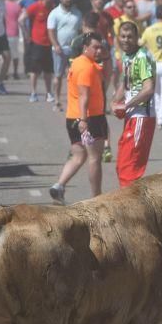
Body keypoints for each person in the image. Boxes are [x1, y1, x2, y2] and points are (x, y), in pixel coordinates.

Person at [49, 33, 109, 204]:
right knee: (94, 157)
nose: (98, 51)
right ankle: (97, 197)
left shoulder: (78, 63)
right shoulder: (86, 68)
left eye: (100, 47)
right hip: (89, 118)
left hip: (72, 117)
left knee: (78, 155)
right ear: (85, 48)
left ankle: (59, 186)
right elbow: (84, 96)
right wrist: (84, 120)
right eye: (95, 47)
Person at [113, 22, 155, 187]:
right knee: (122, 165)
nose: (126, 40)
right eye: (123, 36)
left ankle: (132, 209)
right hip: (132, 116)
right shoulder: (127, 57)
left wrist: (126, 104)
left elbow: (148, 88)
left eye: (130, 37)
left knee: (130, 168)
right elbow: (126, 82)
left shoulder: (142, 56)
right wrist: (115, 100)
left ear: (137, 38)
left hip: (141, 117)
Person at [47, 0, 83, 111]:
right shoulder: (54, 13)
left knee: (74, 76)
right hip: (59, 49)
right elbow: (51, 32)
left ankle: (73, 100)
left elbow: (79, 31)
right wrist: (56, 45)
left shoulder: (77, 13)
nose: (68, 0)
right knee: (58, 76)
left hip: (74, 50)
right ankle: (56, 100)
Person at [4, 0, 22, 79]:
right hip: (14, 32)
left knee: (5, 55)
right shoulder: (17, 6)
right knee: (15, 54)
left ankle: (5, 72)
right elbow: (21, 19)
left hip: (4, 32)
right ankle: (15, 72)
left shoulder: (3, 5)